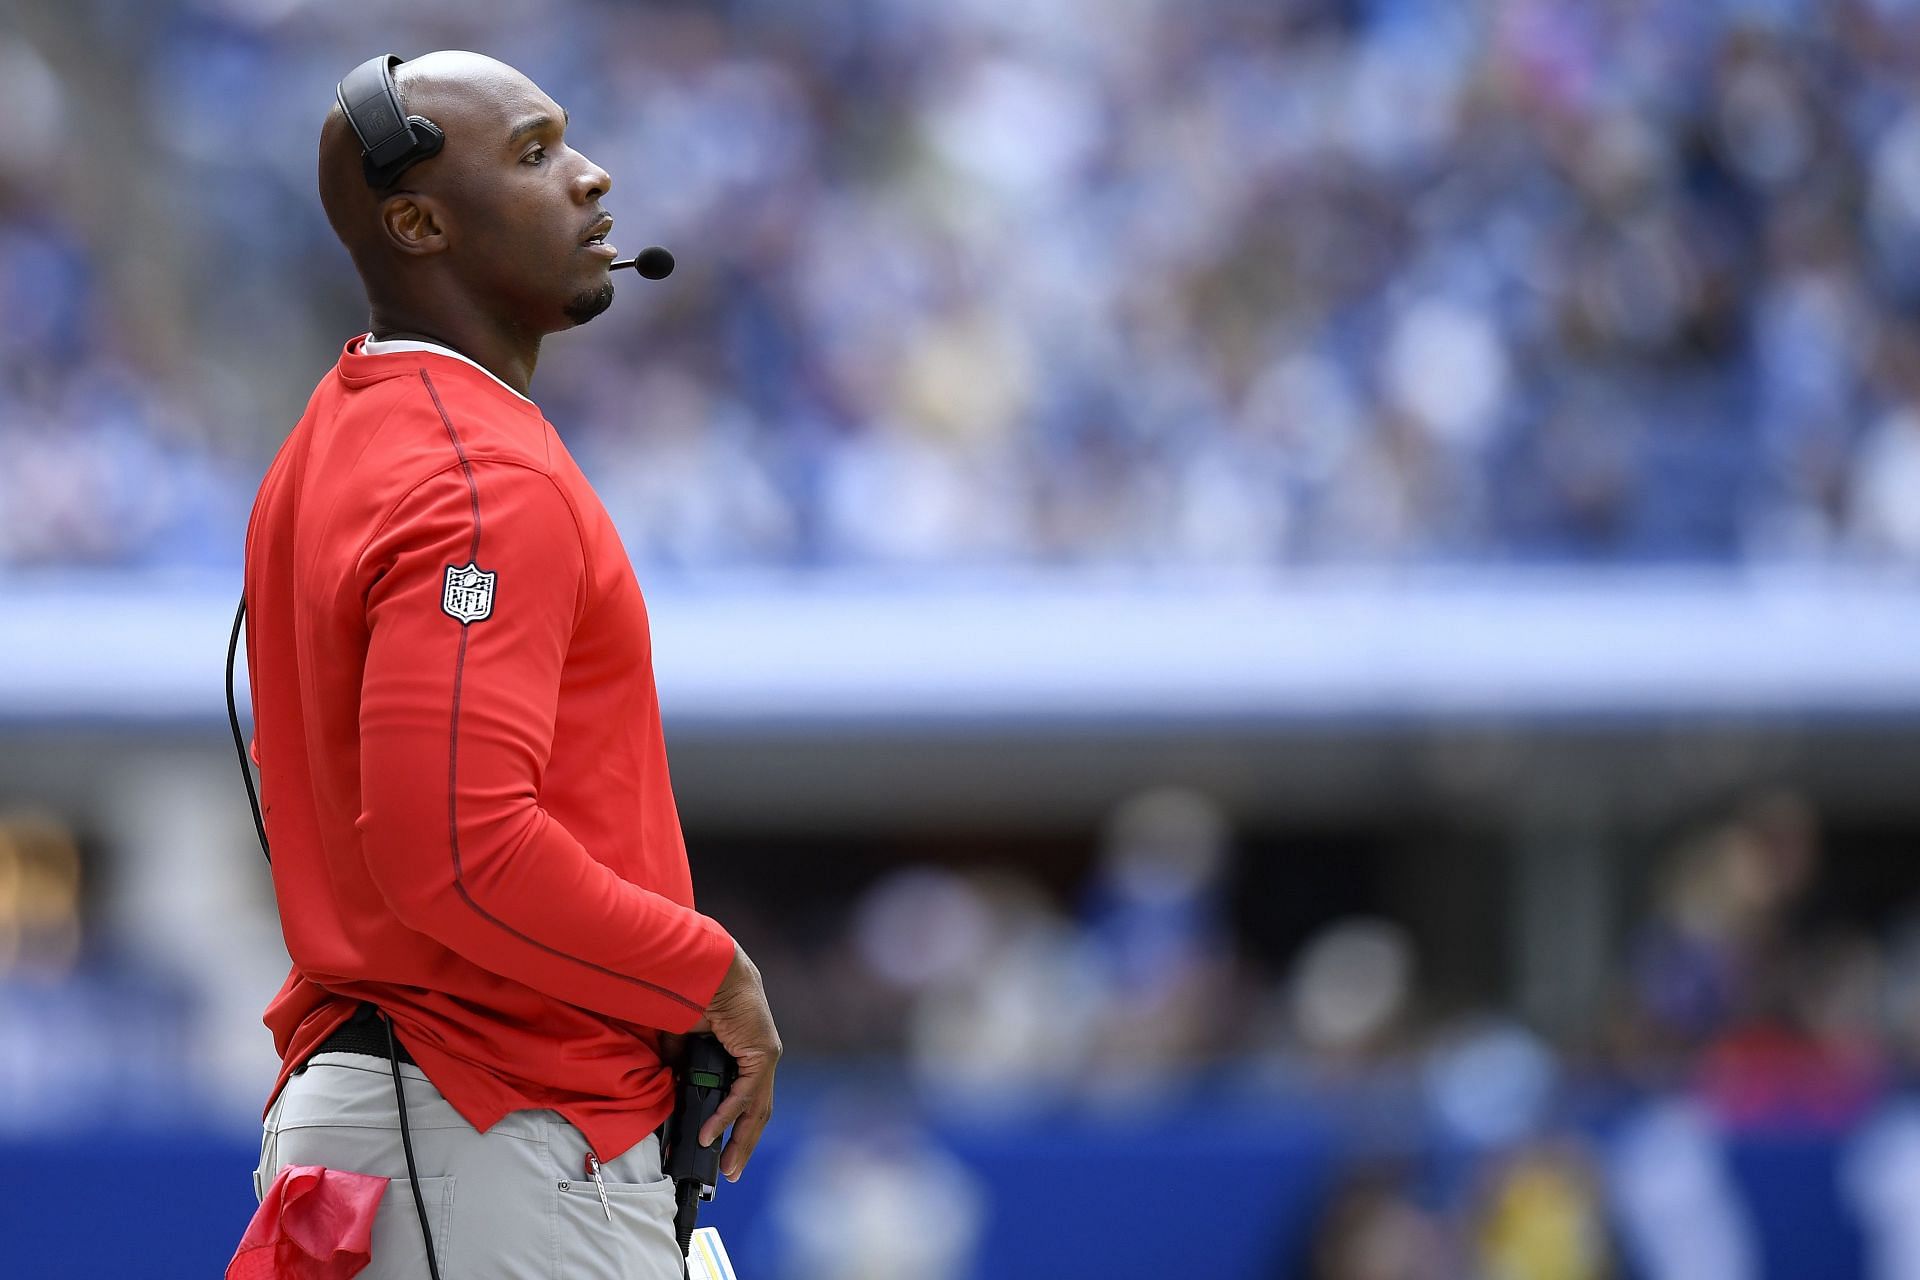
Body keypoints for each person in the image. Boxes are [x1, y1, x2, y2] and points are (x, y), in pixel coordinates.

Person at [238, 50, 780, 1279]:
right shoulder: (482, 474)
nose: (591, 178)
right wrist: (713, 970)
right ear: (417, 222)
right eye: (534, 155)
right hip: (489, 1129)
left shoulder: (339, 435)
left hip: (441, 1129)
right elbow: (460, 852)